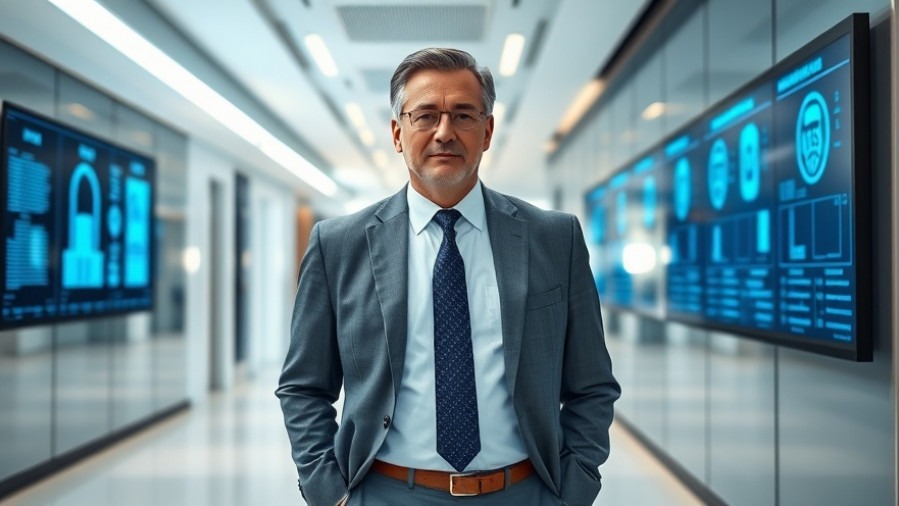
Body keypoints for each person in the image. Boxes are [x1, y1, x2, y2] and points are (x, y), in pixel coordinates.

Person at [276, 47, 620, 506]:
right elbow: (303, 386)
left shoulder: (554, 239)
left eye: (463, 115)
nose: (444, 132)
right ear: (398, 133)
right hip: (384, 492)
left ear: (488, 130)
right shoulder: (338, 245)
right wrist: (329, 494)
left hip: (524, 492)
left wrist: (574, 490)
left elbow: (592, 385)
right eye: (425, 116)